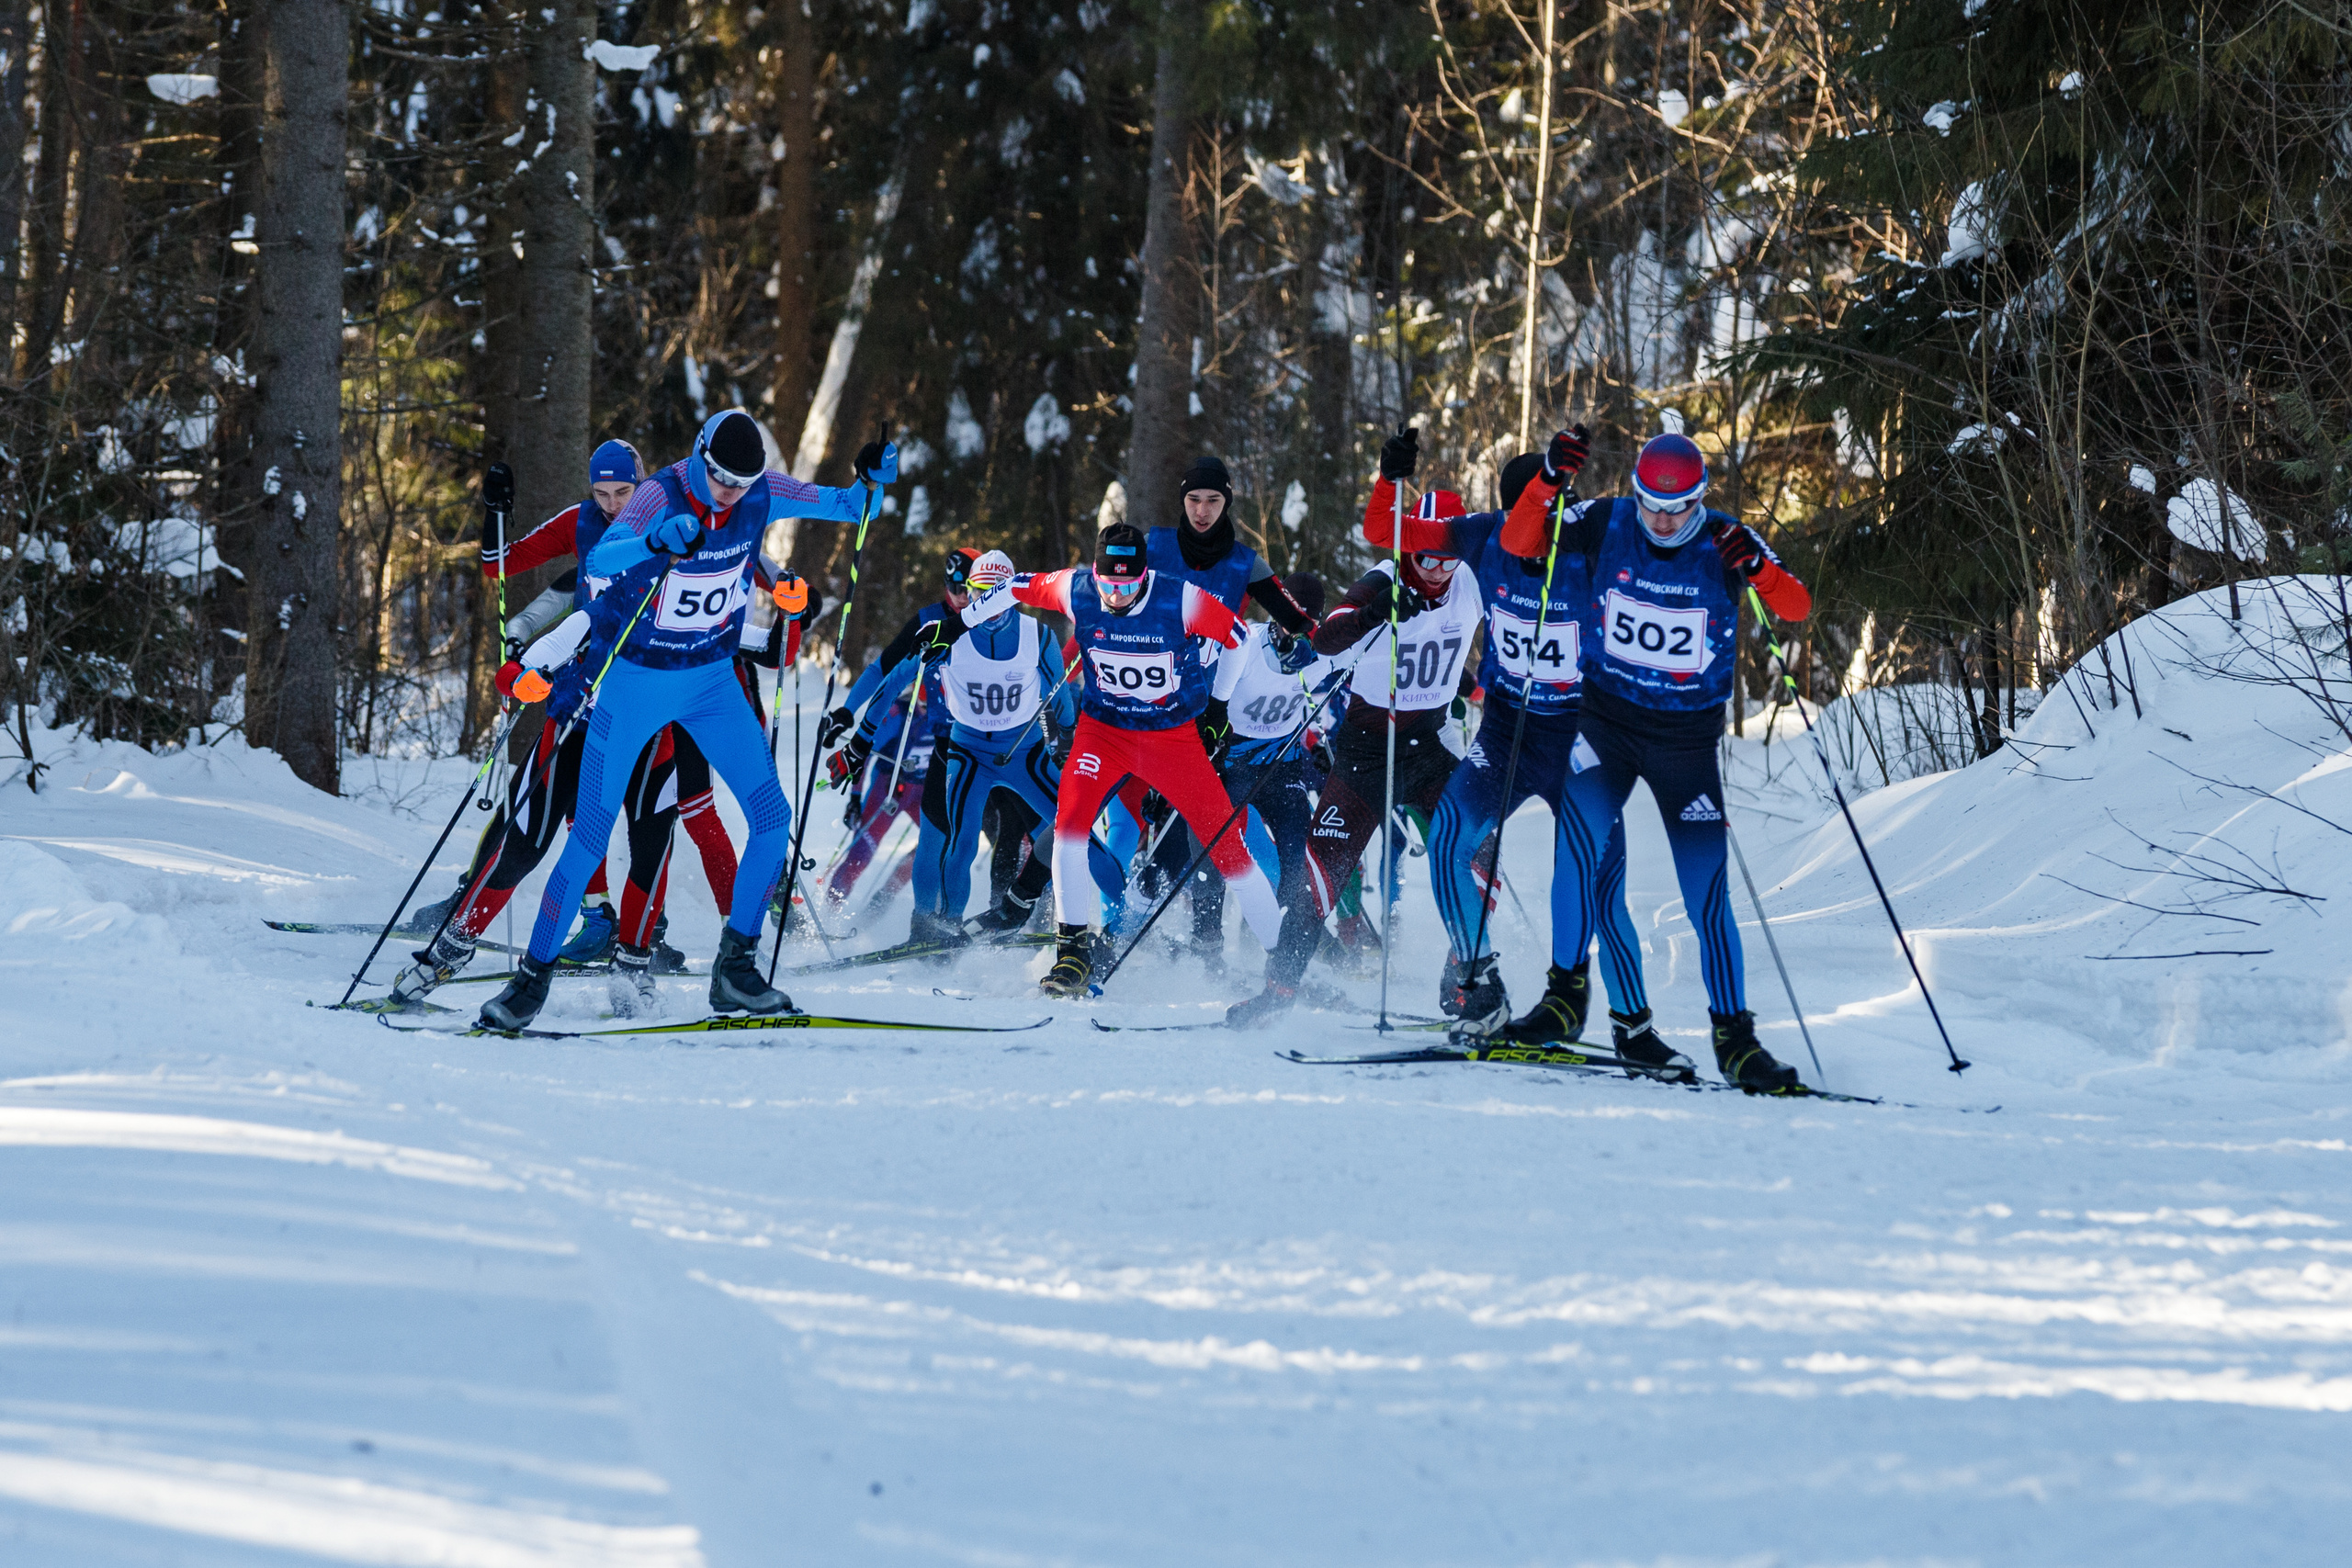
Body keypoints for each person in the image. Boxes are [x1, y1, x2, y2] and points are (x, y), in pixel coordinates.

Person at [477, 409, 893, 1030]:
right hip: (635, 685)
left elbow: (847, 506)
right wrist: (653, 540)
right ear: (699, 454)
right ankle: (531, 981)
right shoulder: (657, 494)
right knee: (589, 837)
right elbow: (600, 561)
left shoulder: (763, 491)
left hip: (711, 685)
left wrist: (871, 481)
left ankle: (736, 970)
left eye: (741, 481)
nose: (728, 491)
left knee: (773, 819)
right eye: (720, 476)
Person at [1506, 429, 1814, 1091]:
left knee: (1707, 892)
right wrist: (1548, 480)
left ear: (1702, 497)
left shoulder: (1727, 539)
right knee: (1576, 848)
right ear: (1637, 494)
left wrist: (1758, 570)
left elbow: (1796, 605)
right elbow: (1520, 542)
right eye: (1653, 505)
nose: (1665, 520)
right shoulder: (1608, 519)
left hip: (1685, 742)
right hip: (1607, 724)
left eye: (1680, 507)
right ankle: (1565, 998)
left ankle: (1735, 1039)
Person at [1369, 428, 1657, 1064]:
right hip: (1507, 735)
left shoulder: (1589, 540)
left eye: (1558, 504)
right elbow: (1388, 535)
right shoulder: (1484, 535)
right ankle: (1481, 986)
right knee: (1448, 837)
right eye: (1538, 503)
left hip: (1582, 742)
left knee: (1601, 885)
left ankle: (1634, 1025)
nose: (1550, 519)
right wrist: (1391, 481)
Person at [958, 523, 1283, 997]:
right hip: (1104, 734)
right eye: (1111, 584)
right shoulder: (1075, 588)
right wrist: (961, 621)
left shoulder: (1180, 598)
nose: (1118, 595)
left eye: (1129, 585)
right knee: (1069, 828)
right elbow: (1010, 587)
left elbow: (1238, 638)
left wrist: (1218, 704)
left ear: (1145, 575)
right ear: (1096, 573)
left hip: (1172, 740)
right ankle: (1071, 953)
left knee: (1228, 849)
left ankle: (1285, 959)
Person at [1225, 493, 1483, 1027]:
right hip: (1367, 755)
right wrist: (1373, 614)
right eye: (1423, 556)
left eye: (1445, 559)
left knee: (1482, 858)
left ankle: (1464, 977)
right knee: (1318, 875)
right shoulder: (1385, 578)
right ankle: (1279, 987)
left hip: (1430, 750)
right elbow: (1325, 637)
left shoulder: (1472, 581)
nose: (1433, 570)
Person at [1137, 457, 1320, 964]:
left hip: (1200, 708)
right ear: (1182, 499)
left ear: (1227, 503)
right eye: (1194, 500)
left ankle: (1271, 956)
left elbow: (1296, 618)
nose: (1201, 511)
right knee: (1134, 823)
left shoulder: (1245, 563)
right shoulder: (1152, 547)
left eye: (1213, 501)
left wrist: (1354, 631)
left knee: (1191, 836)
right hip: (1143, 700)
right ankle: (1070, 926)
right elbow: (1108, 591)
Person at [915, 549, 1125, 935]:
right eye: (979, 593)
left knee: (1075, 833)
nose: (988, 605)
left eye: (998, 593)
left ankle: (1124, 921)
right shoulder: (951, 632)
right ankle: (947, 928)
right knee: (960, 841)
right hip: (969, 752)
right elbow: (899, 674)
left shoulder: (1038, 635)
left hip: (1025, 753)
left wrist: (1067, 739)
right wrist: (859, 735)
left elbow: (1059, 693)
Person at [816, 549, 973, 934]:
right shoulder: (899, 714)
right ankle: (828, 914)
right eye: (955, 588)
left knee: (940, 848)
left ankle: (892, 905)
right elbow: (882, 673)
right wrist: (854, 796)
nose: (962, 597)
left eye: (969, 589)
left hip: (943, 767)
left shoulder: (992, 618)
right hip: (892, 786)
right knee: (862, 852)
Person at [1196, 572, 1333, 957]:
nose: (1299, 637)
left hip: (1281, 767)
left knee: (1297, 855)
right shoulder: (1245, 646)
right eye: (1292, 623)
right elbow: (1204, 704)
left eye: (1309, 625)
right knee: (1213, 855)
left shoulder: (1322, 653)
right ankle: (1205, 947)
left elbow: (1362, 647)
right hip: (1230, 766)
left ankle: (1293, 949)